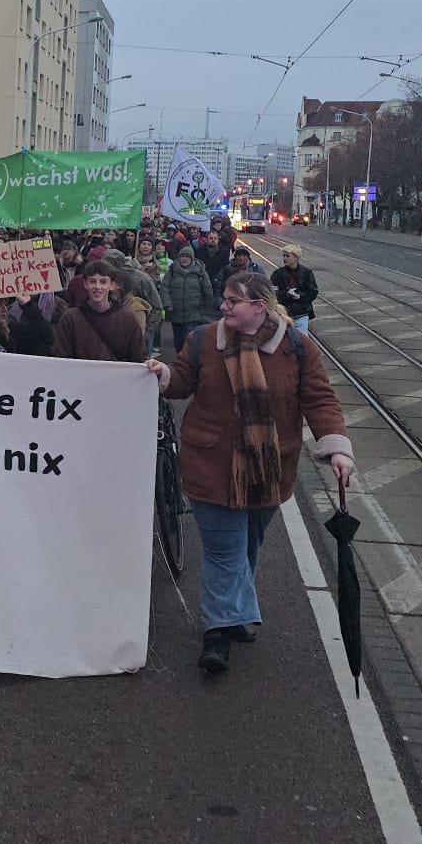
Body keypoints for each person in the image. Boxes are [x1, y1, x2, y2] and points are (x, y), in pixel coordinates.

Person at [146, 272, 353, 676]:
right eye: (223, 300)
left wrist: (336, 446)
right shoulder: (205, 339)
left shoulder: (297, 347)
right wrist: (161, 374)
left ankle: (236, 612)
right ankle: (218, 632)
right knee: (225, 550)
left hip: (269, 469)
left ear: (259, 306)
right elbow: (182, 381)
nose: (223, 307)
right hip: (210, 463)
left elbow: (319, 398)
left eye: (232, 301)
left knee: (248, 546)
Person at [51, 260, 146, 363]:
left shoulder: (128, 318)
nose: (97, 287)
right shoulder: (70, 318)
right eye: (92, 281)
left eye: (103, 282)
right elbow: (61, 357)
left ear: (112, 285)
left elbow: (138, 358)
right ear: (85, 284)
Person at [163, 245, 218, 358]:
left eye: (187, 257)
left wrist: (207, 306)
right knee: (178, 339)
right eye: (182, 256)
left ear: (192, 258)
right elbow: (164, 288)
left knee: (189, 338)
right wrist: (167, 304)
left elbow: (208, 290)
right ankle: (180, 358)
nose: (184, 259)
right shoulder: (172, 271)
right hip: (175, 312)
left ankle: (188, 361)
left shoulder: (200, 272)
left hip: (193, 313)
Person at [270, 245, 320, 333]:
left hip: (301, 314)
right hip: (283, 314)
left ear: (296, 258)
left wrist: (300, 296)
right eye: (284, 256)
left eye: (287, 256)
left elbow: (313, 292)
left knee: (302, 340)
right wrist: (286, 294)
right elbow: (272, 293)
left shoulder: (306, 273)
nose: (284, 258)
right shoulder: (278, 273)